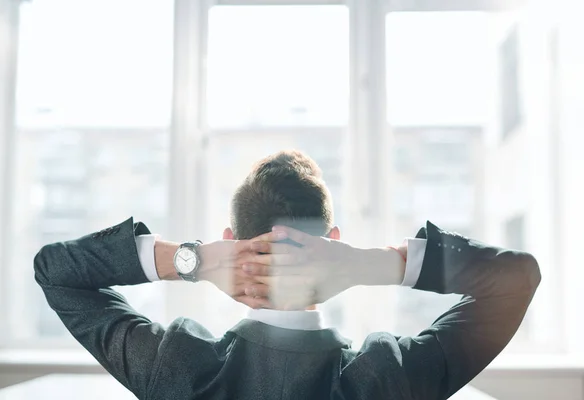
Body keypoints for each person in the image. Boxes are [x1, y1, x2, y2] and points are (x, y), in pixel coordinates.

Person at [34, 150, 541, 400]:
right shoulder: (388, 377)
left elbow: (54, 271)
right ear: (334, 244)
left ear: (229, 241)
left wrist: (192, 259)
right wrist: (375, 264)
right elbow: (518, 279)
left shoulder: (175, 368)